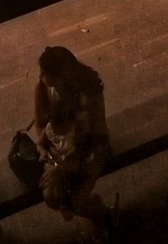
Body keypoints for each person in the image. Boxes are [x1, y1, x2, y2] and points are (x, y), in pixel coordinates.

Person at [33, 46, 113, 224]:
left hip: (90, 148)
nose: (42, 79)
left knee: (77, 202)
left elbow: (97, 134)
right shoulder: (43, 86)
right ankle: (97, 208)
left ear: (64, 77)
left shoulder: (89, 90)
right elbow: (40, 125)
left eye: (46, 75)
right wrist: (54, 157)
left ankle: (105, 216)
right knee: (51, 196)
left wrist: (66, 163)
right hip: (59, 151)